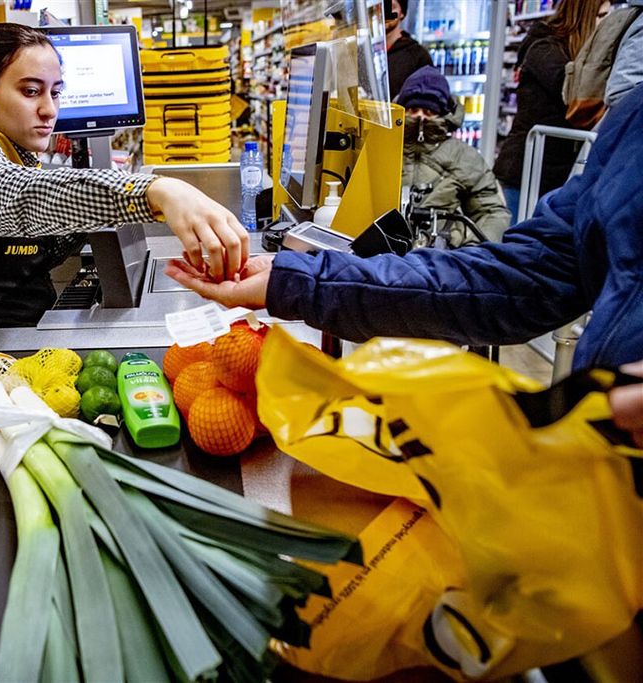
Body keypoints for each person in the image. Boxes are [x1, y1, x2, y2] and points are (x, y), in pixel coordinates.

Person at [165, 82, 643, 413]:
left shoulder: (464, 159)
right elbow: (525, 278)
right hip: (608, 478)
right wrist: (292, 279)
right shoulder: (633, 122)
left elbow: (499, 232)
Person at [0, 23, 248, 329]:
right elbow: (21, 196)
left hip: (24, 333)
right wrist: (157, 191)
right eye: (31, 91)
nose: (50, 110)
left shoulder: (14, 152)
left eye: (55, 92)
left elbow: (46, 239)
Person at [493, 0, 611, 221]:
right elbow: (571, 91)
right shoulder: (543, 49)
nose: (607, 24)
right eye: (602, 16)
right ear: (584, 17)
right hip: (524, 175)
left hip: (556, 178)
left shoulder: (574, 54)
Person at [397, 66, 510, 242]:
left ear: (443, 114)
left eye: (429, 112)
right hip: (381, 254)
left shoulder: (464, 157)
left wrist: (473, 252)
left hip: (441, 256)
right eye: (413, 110)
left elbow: (491, 212)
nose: (420, 117)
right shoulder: (382, 149)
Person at [386, 0, 433, 100]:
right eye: (380, 7)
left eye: (391, 7)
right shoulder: (364, 52)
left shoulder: (418, 55)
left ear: (402, 13)